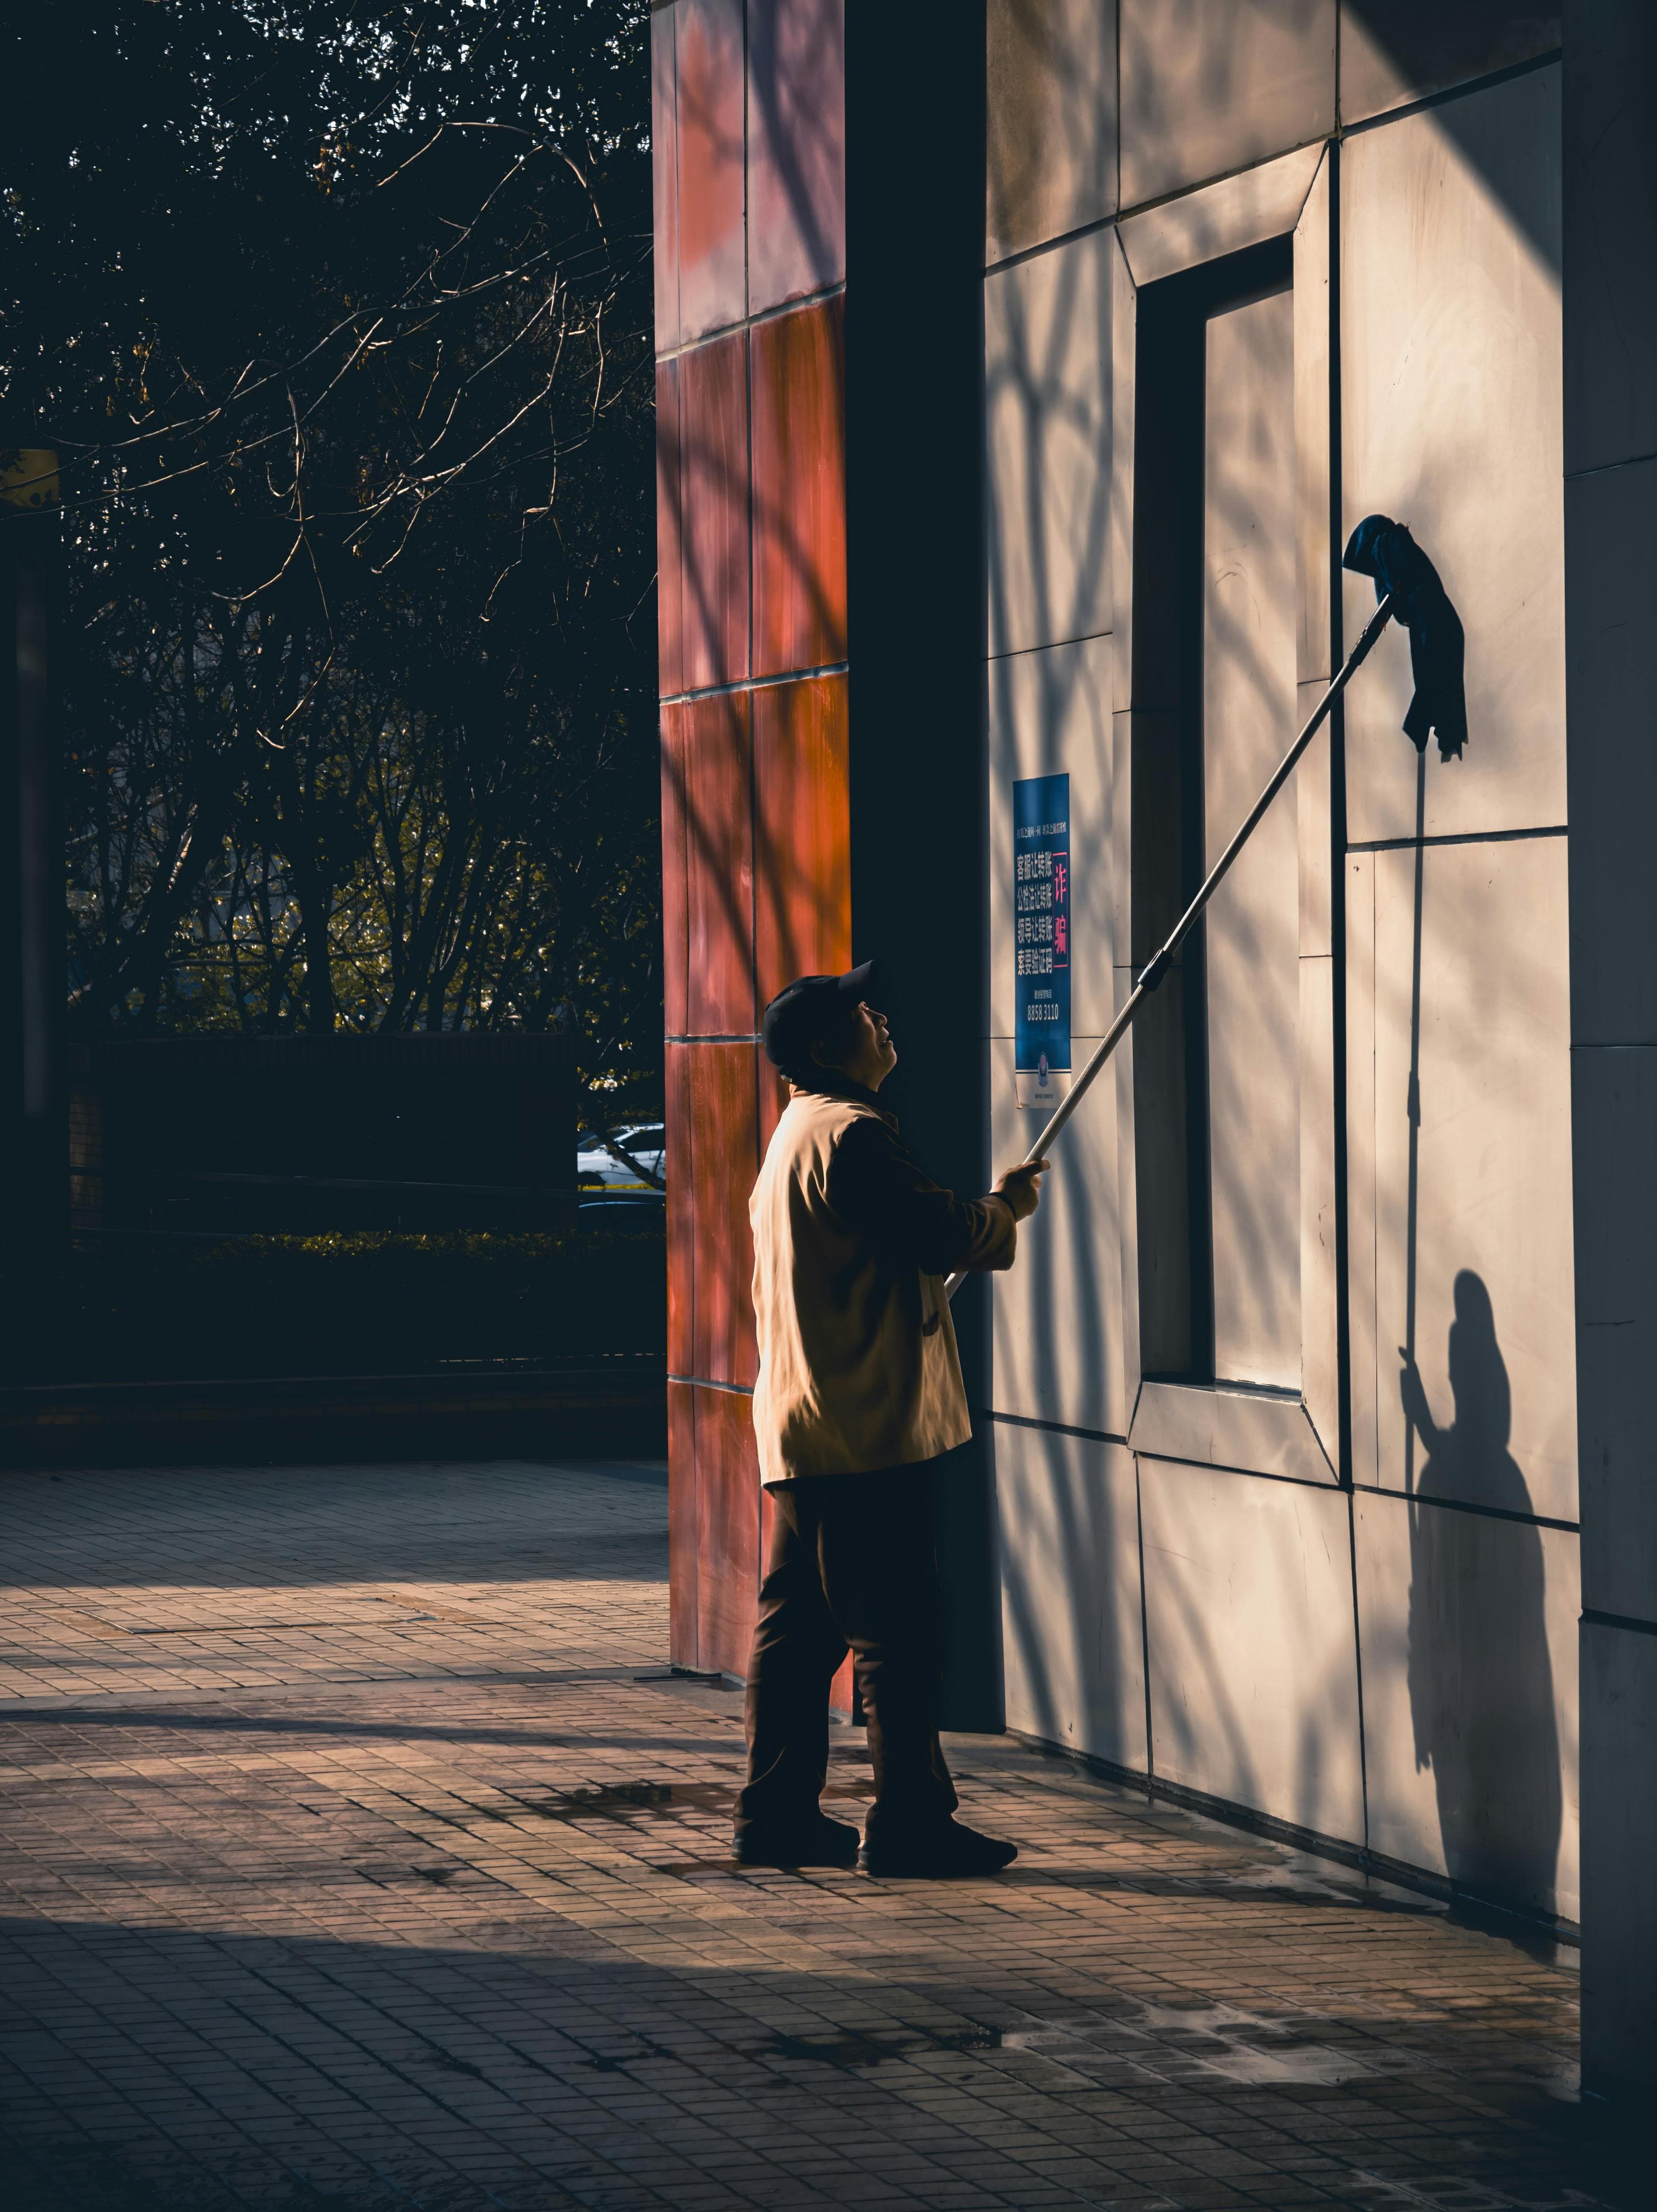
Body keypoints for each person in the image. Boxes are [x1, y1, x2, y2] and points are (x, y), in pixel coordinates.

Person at [736, 960, 1047, 1877]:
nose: (880, 1017)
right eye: (861, 1013)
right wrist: (1005, 1209)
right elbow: (943, 1233)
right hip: (866, 1431)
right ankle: (911, 1822)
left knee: (799, 1634)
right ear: (830, 1047)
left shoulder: (796, 1133)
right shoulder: (854, 1134)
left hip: (807, 1426)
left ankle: (777, 1815)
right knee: (896, 1635)